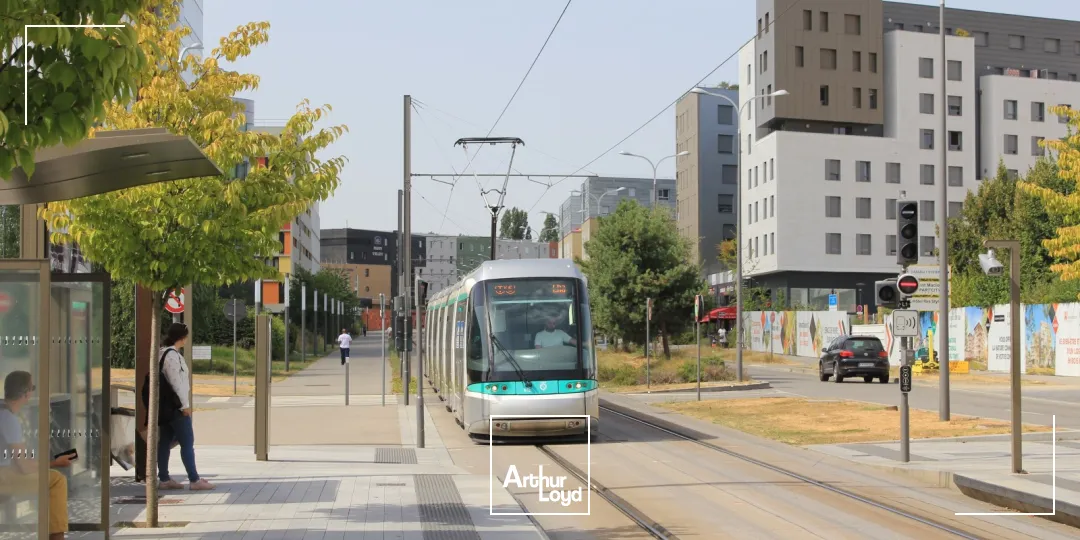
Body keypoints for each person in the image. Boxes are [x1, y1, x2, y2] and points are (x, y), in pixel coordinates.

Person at [0, 371, 71, 539]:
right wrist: (55, 462)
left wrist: (36, 462)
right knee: (56, 480)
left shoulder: (4, 412)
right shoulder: (8, 419)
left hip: (6, 471)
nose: (32, 392)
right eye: (33, 388)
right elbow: (23, 467)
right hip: (3, 476)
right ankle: (56, 536)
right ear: (26, 393)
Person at [149, 323, 214, 491]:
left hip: (164, 407)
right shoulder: (171, 355)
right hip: (175, 407)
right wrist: (185, 406)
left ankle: (164, 478)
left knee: (164, 441)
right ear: (182, 337)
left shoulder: (161, 353)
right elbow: (177, 383)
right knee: (187, 442)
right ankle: (194, 479)